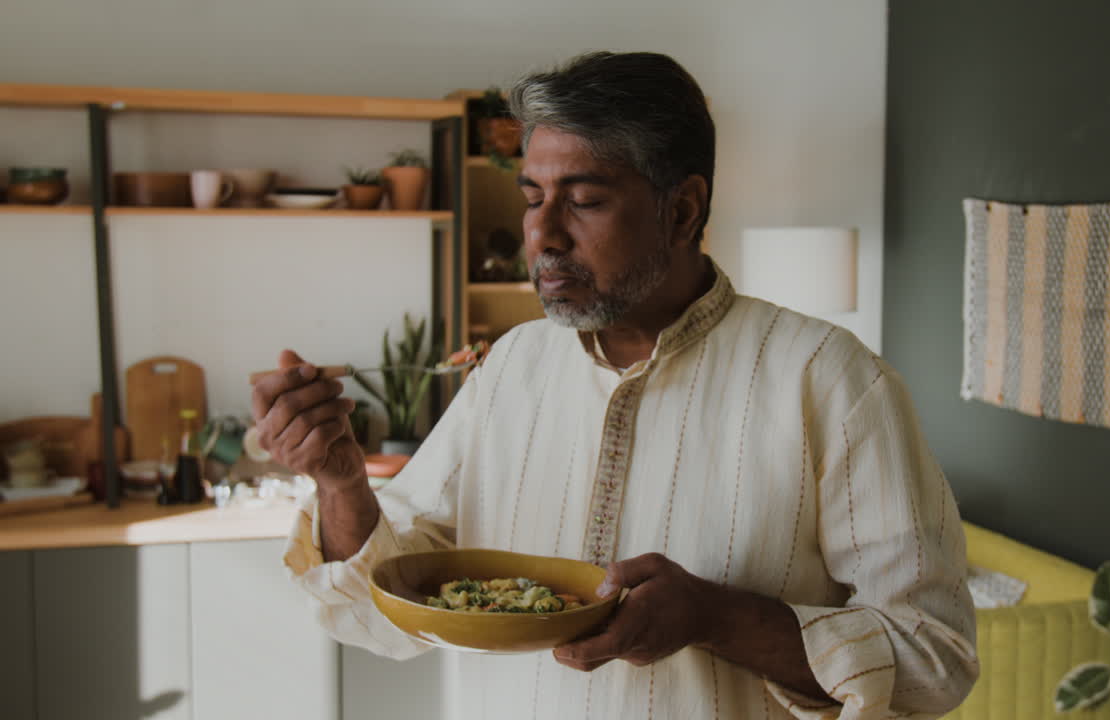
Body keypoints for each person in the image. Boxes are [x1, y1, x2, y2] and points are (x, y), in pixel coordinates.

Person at [253, 51, 978, 720]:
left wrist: (716, 618)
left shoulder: (829, 378)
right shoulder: (511, 367)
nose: (543, 235)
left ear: (684, 210)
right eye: (533, 196)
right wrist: (342, 484)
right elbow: (385, 606)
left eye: (584, 200)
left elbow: (934, 659)